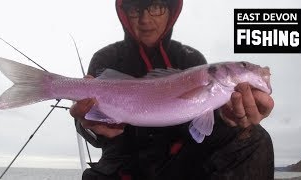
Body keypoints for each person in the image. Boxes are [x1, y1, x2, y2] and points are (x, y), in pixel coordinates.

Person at [70, 0, 275, 179]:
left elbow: (201, 131)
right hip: (120, 166)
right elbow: (93, 134)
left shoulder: (191, 59)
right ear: (124, 13)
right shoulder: (106, 59)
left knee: (255, 137)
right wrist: (88, 123)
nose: (145, 19)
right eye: (135, 8)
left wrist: (229, 119)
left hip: (180, 162)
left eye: (156, 7)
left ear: (171, 11)